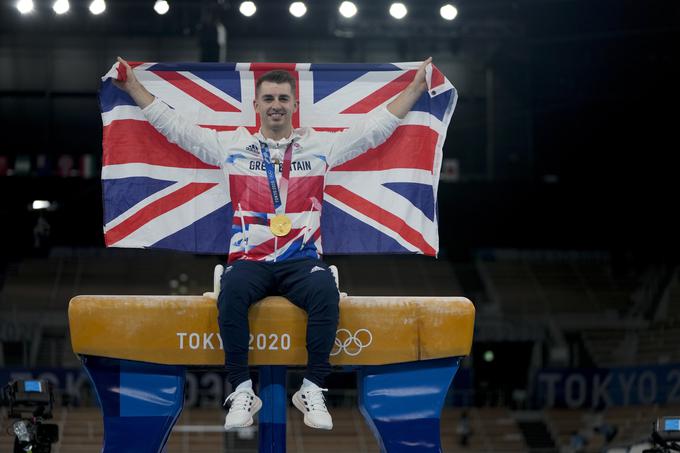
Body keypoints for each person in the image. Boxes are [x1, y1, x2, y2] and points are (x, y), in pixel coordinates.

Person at [113, 56, 432, 431]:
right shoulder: (231, 147)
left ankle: (312, 387)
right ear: (256, 106)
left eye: (283, 98)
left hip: (302, 260)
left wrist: (413, 89)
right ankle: (242, 390)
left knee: (326, 291)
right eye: (269, 99)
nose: (276, 105)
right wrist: (133, 87)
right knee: (230, 292)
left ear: (295, 104)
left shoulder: (321, 148)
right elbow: (177, 128)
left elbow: (374, 129)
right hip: (250, 259)